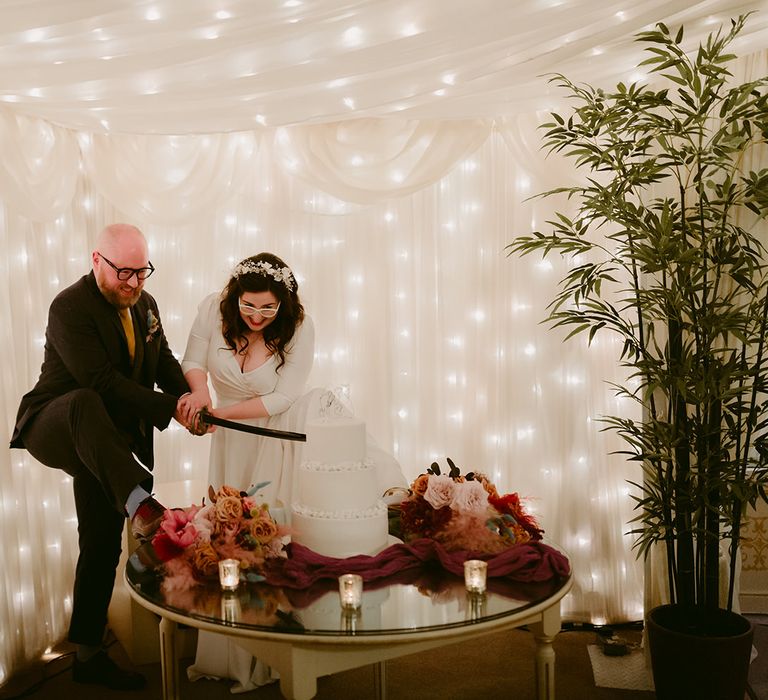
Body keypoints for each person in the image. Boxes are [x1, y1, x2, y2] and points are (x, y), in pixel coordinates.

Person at [179, 252, 407, 691]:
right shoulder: (212, 308)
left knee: (268, 535)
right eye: (249, 305)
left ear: (284, 303)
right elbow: (192, 359)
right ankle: (233, 652)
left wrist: (221, 413)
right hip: (230, 444)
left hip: (272, 433)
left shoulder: (302, 327)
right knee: (230, 536)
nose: (258, 315)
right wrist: (200, 396)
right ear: (234, 296)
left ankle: (279, 649)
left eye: (269, 308)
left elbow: (283, 397)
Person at [9, 223, 190, 691]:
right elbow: (102, 381)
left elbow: (164, 362)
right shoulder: (69, 306)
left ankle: (88, 654)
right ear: (97, 261)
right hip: (56, 422)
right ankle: (142, 504)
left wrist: (192, 401)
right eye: (123, 272)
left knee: (101, 544)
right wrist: (170, 408)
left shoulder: (146, 306)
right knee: (87, 399)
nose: (133, 282)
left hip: (105, 446)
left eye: (141, 272)